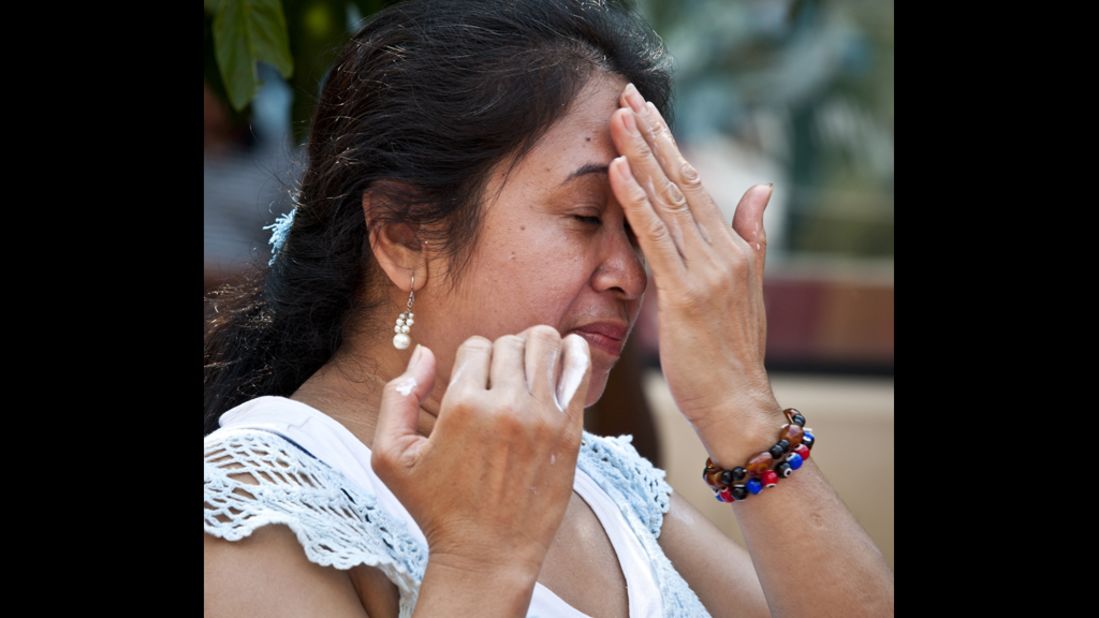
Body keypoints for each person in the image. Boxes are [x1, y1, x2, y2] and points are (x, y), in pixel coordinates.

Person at [203, 1, 895, 616]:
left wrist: (741, 408)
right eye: (586, 215)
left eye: (638, 230)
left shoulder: (593, 473)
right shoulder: (250, 512)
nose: (630, 275)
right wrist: (479, 563)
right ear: (403, 236)